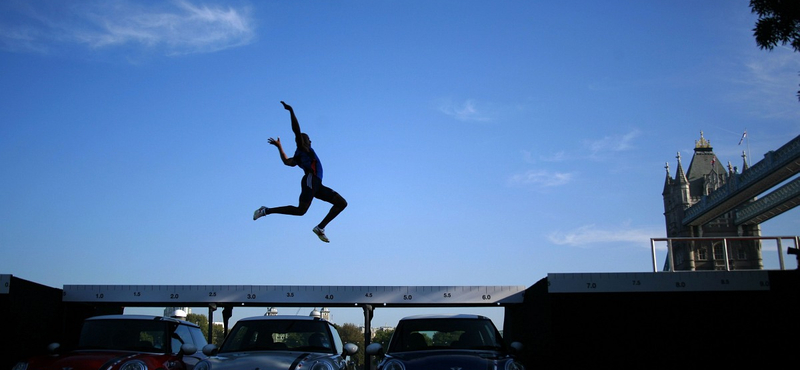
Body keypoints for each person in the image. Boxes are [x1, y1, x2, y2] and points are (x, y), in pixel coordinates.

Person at [253, 101, 347, 243]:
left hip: (317, 185)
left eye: (306, 139)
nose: (306, 140)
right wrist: (291, 111)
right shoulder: (303, 149)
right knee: (301, 210)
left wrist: (279, 147)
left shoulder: (300, 155)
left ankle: (320, 227)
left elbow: (286, 162)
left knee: (341, 203)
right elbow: (296, 131)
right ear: (303, 142)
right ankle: (266, 210)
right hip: (311, 179)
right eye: (304, 139)